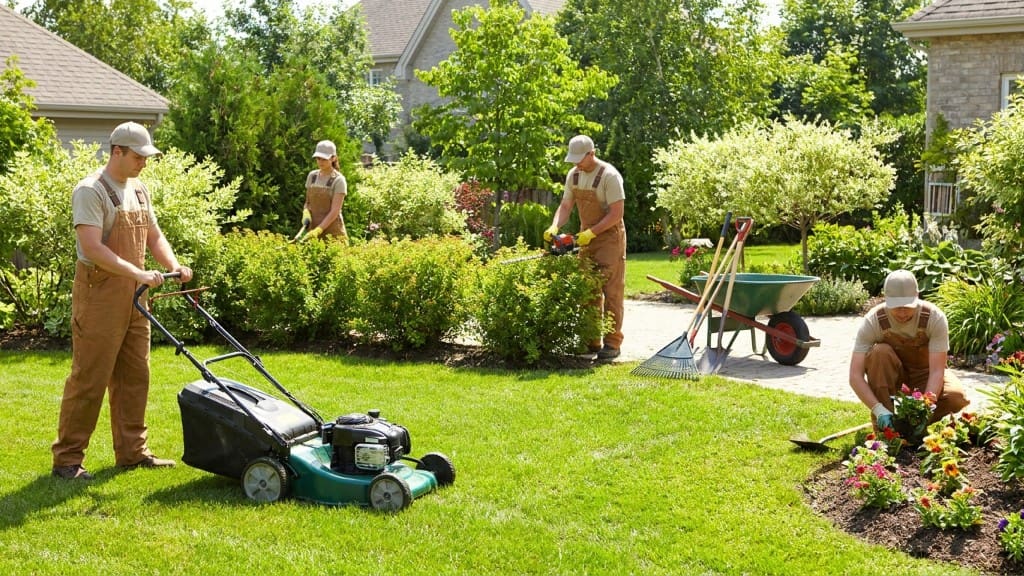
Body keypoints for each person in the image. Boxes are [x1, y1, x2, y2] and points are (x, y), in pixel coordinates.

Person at [51, 122, 193, 480]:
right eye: (138, 156)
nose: (144, 162)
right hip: (99, 294)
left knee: (135, 374)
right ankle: (67, 460)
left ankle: (132, 452)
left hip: (135, 296)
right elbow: (92, 248)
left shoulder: (139, 189)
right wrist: (139, 274)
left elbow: (152, 234)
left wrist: (172, 265)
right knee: (90, 377)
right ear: (117, 152)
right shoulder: (90, 191)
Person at [848, 269, 969, 433]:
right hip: (894, 379)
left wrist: (925, 406)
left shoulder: (934, 318)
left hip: (925, 375)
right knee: (879, 353)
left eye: (908, 306)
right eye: (897, 307)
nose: (902, 313)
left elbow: (936, 372)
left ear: (917, 296)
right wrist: (878, 410)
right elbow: (855, 376)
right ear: (886, 298)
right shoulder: (874, 321)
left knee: (956, 398)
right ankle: (887, 427)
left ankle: (919, 428)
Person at [544, 135, 627, 360]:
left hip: (610, 238)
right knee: (588, 289)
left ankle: (612, 343)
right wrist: (554, 226)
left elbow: (616, 213)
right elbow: (566, 205)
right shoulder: (574, 175)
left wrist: (592, 233)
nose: (576, 164)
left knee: (612, 291)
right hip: (585, 237)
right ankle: (590, 339)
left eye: (579, 159)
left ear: (592, 153)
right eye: (574, 160)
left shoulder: (609, 176)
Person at [297, 140, 348, 244]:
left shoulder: (338, 180)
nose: (320, 162)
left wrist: (319, 229)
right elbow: (308, 202)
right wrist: (306, 212)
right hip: (313, 229)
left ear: (333, 158)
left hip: (333, 232)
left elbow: (335, 211)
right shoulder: (312, 176)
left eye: (324, 159)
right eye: (318, 158)